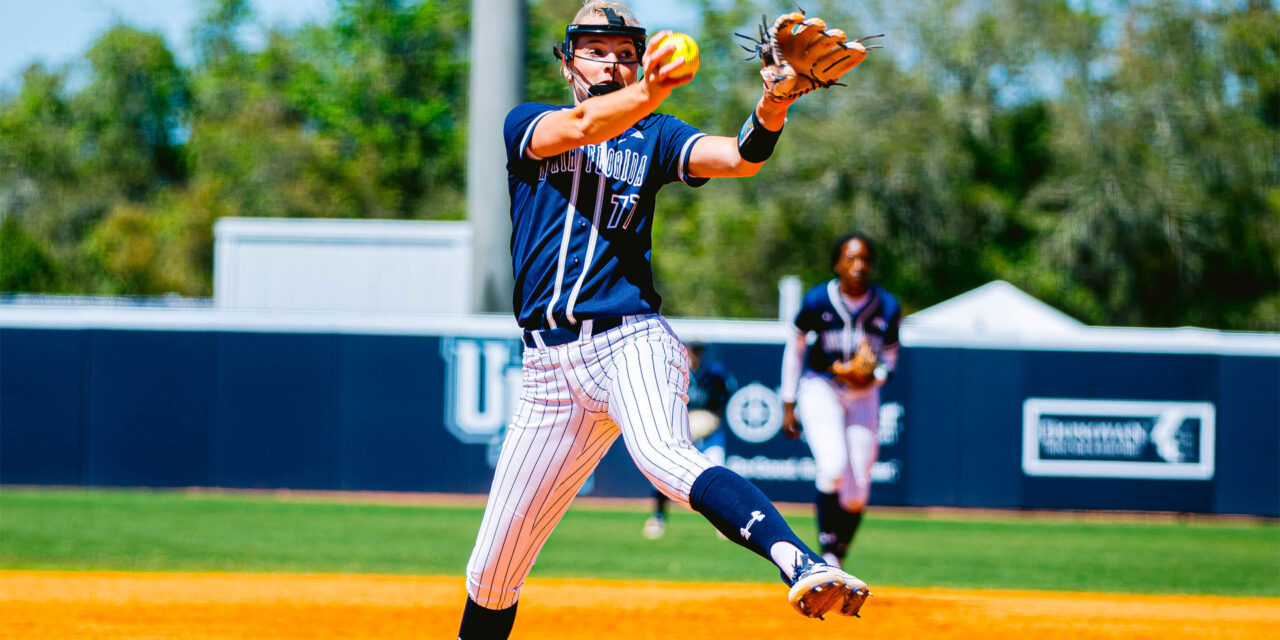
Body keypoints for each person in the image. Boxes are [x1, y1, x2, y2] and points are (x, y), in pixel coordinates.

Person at [457, 3, 871, 637]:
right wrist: (648, 88)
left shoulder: (657, 134)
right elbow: (581, 127)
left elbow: (739, 157)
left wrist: (775, 102)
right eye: (596, 50)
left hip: (629, 341)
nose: (614, 60)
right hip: (546, 373)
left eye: (625, 51)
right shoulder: (529, 121)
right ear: (568, 64)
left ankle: (801, 562)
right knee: (491, 572)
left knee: (662, 452)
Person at [780, 233, 902, 569]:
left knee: (858, 489)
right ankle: (827, 554)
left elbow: (891, 358)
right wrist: (788, 401)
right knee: (832, 466)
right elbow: (796, 345)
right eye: (850, 258)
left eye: (864, 259)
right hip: (822, 385)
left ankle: (839, 555)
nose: (858, 265)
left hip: (864, 394)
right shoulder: (819, 299)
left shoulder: (887, 306)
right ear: (837, 264)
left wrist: (871, 376)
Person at [642, 341, 736, 540]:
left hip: (710, 433)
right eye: (693, 349)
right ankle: (658, 517)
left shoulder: (714, 372)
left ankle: (723, 523)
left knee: (719, 472)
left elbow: (729, 389)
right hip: (682, 430)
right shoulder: (675, 370)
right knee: (663, 470)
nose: (696, 353)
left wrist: (715, 415)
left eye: (699, 349)